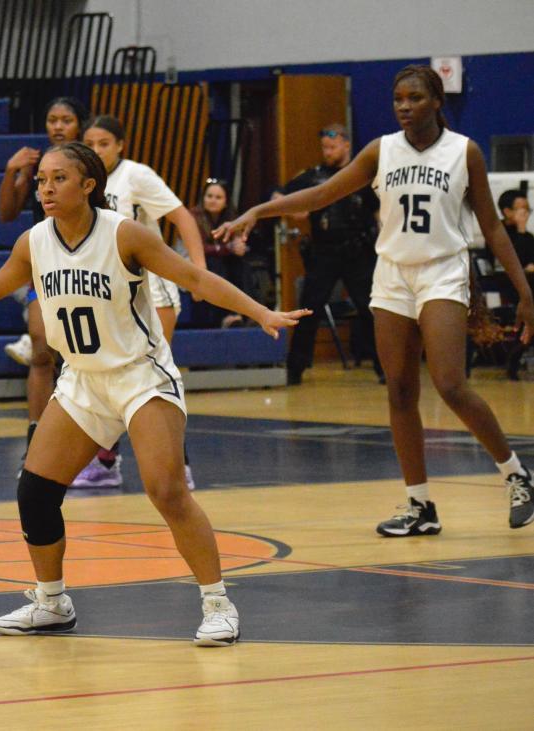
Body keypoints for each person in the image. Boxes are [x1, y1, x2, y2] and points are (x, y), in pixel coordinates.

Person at [0, 142, 308, 643]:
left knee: (166, 490)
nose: (46, 189)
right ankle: (51, 602)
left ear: (88, 186)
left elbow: (195, 278)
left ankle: (217, 603)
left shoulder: (125, 235)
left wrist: (261, 312)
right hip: (82, 379)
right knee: (34, 492)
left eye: (58, 179)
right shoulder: (34, 241)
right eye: (41, 181)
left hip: (140, 375)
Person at [215, 65, 534, 533]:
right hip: (391, 275)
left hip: (443, 270)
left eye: (414, 98)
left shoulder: (463, 152)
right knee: (400, 389)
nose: (404, 106)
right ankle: (419, 504)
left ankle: (517, 475)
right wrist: (261, 210)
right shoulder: (380, 150)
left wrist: (525, 294)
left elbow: (491, 227)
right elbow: (323, 193)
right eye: (397, 99)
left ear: (437, 101)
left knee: (448, 382)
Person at [78, 115, 209, 490]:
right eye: (90, 143)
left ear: (120, 144)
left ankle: (178, 468)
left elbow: (181, 216)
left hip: (153, 290)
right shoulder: (84, 183)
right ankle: (105, 462)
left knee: (152, 377)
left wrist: (198, 270)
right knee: (111, 373)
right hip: (109, 292)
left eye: (104, 143)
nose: (97, 150)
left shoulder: (136, 176)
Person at [0, 96, 90, 468]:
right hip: (47, 269)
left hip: (86, 267)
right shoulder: (38, 166)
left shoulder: (88, 166)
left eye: (65, 119)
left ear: (78, 125)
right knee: (41, 350)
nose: (57, 126)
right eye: (52, 119)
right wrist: (11, 172)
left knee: (82, 358)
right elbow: (6, 212)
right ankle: (36, 437)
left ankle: (94, 443)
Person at [276, 124, 382, 385]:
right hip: (324, 254)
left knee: (372, 310)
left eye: (333, 147)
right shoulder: (314, 176)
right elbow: (279, 195)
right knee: (307, 311)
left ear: (347, 145)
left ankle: (385, 368)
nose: (328, 152)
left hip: (358, 253)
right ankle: (295, 368)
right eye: (324, 147)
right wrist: (294, 211)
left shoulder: (362, 175)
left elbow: (380, 211)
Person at [192, 179, 250, 327]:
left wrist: (239, 246)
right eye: (209, 196)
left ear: (226, 202)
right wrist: (227, 248)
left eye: (218, 198)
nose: (212, 201)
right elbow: (199, 247)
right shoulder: (192, 216)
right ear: (203, 198)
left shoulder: (232, 217)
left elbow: (237, 240)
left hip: (224, 260)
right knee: (215, 264)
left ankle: (242, 313)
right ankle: (224, 316)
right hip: (196, 261)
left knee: (238, 263)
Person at [496, 189, 534, 379]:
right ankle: (513, 359)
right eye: (521, 210)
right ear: (507, 211)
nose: (525, 214)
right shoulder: (497, 232)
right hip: (508, 286)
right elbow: (513, 261)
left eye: (528, 210)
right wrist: (520, 229)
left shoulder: (527, 236)